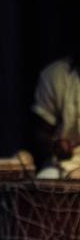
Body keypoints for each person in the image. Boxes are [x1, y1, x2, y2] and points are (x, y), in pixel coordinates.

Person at [31, 49, 80, 179]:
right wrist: (56, 146)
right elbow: (40, 133)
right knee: (44, 180)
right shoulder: (55, 75)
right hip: (66, 164)